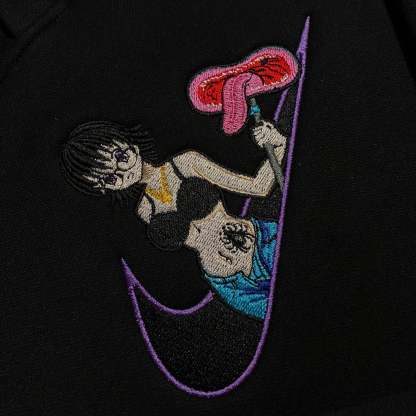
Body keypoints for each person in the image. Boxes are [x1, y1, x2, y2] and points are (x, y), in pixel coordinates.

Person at [61, 119, 286, 225]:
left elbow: (258, 187)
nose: (123, 172)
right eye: (110, 178)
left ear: (131, 144)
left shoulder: (186, 163)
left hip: (259, 248)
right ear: (104, 189)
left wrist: (279, 144)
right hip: (227, 282)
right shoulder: (145, 210)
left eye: (120, 157)